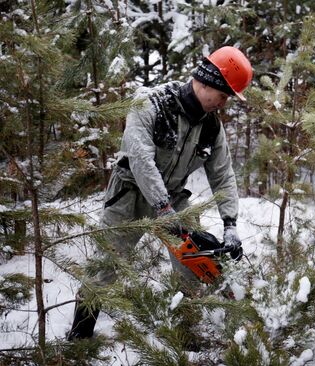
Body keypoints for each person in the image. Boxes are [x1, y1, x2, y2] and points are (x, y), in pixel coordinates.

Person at [67, 46, 252, 340]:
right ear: (207, 82)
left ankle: (183, 336)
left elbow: (223, 175)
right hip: (130, 192)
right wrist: (163, 209)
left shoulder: (211, 128)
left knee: (193, 265)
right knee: (106, 266)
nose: (225, 102)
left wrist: (230, 225)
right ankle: (79, 336)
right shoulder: (152, 104)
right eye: (224, 94)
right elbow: (140, 159)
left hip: (174, 197)